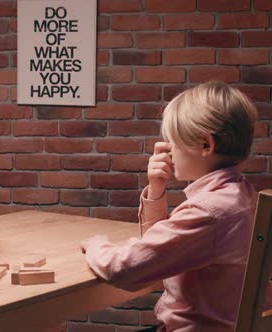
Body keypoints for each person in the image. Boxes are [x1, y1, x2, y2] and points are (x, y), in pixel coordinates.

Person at [81, 82, 259, 332]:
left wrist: (95, 243)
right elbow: (157, 250)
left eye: (174, 141)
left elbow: (126, 268)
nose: (168, 151)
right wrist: (156, 188)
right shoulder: (243, 196)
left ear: (206, 145)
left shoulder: (208, 212)